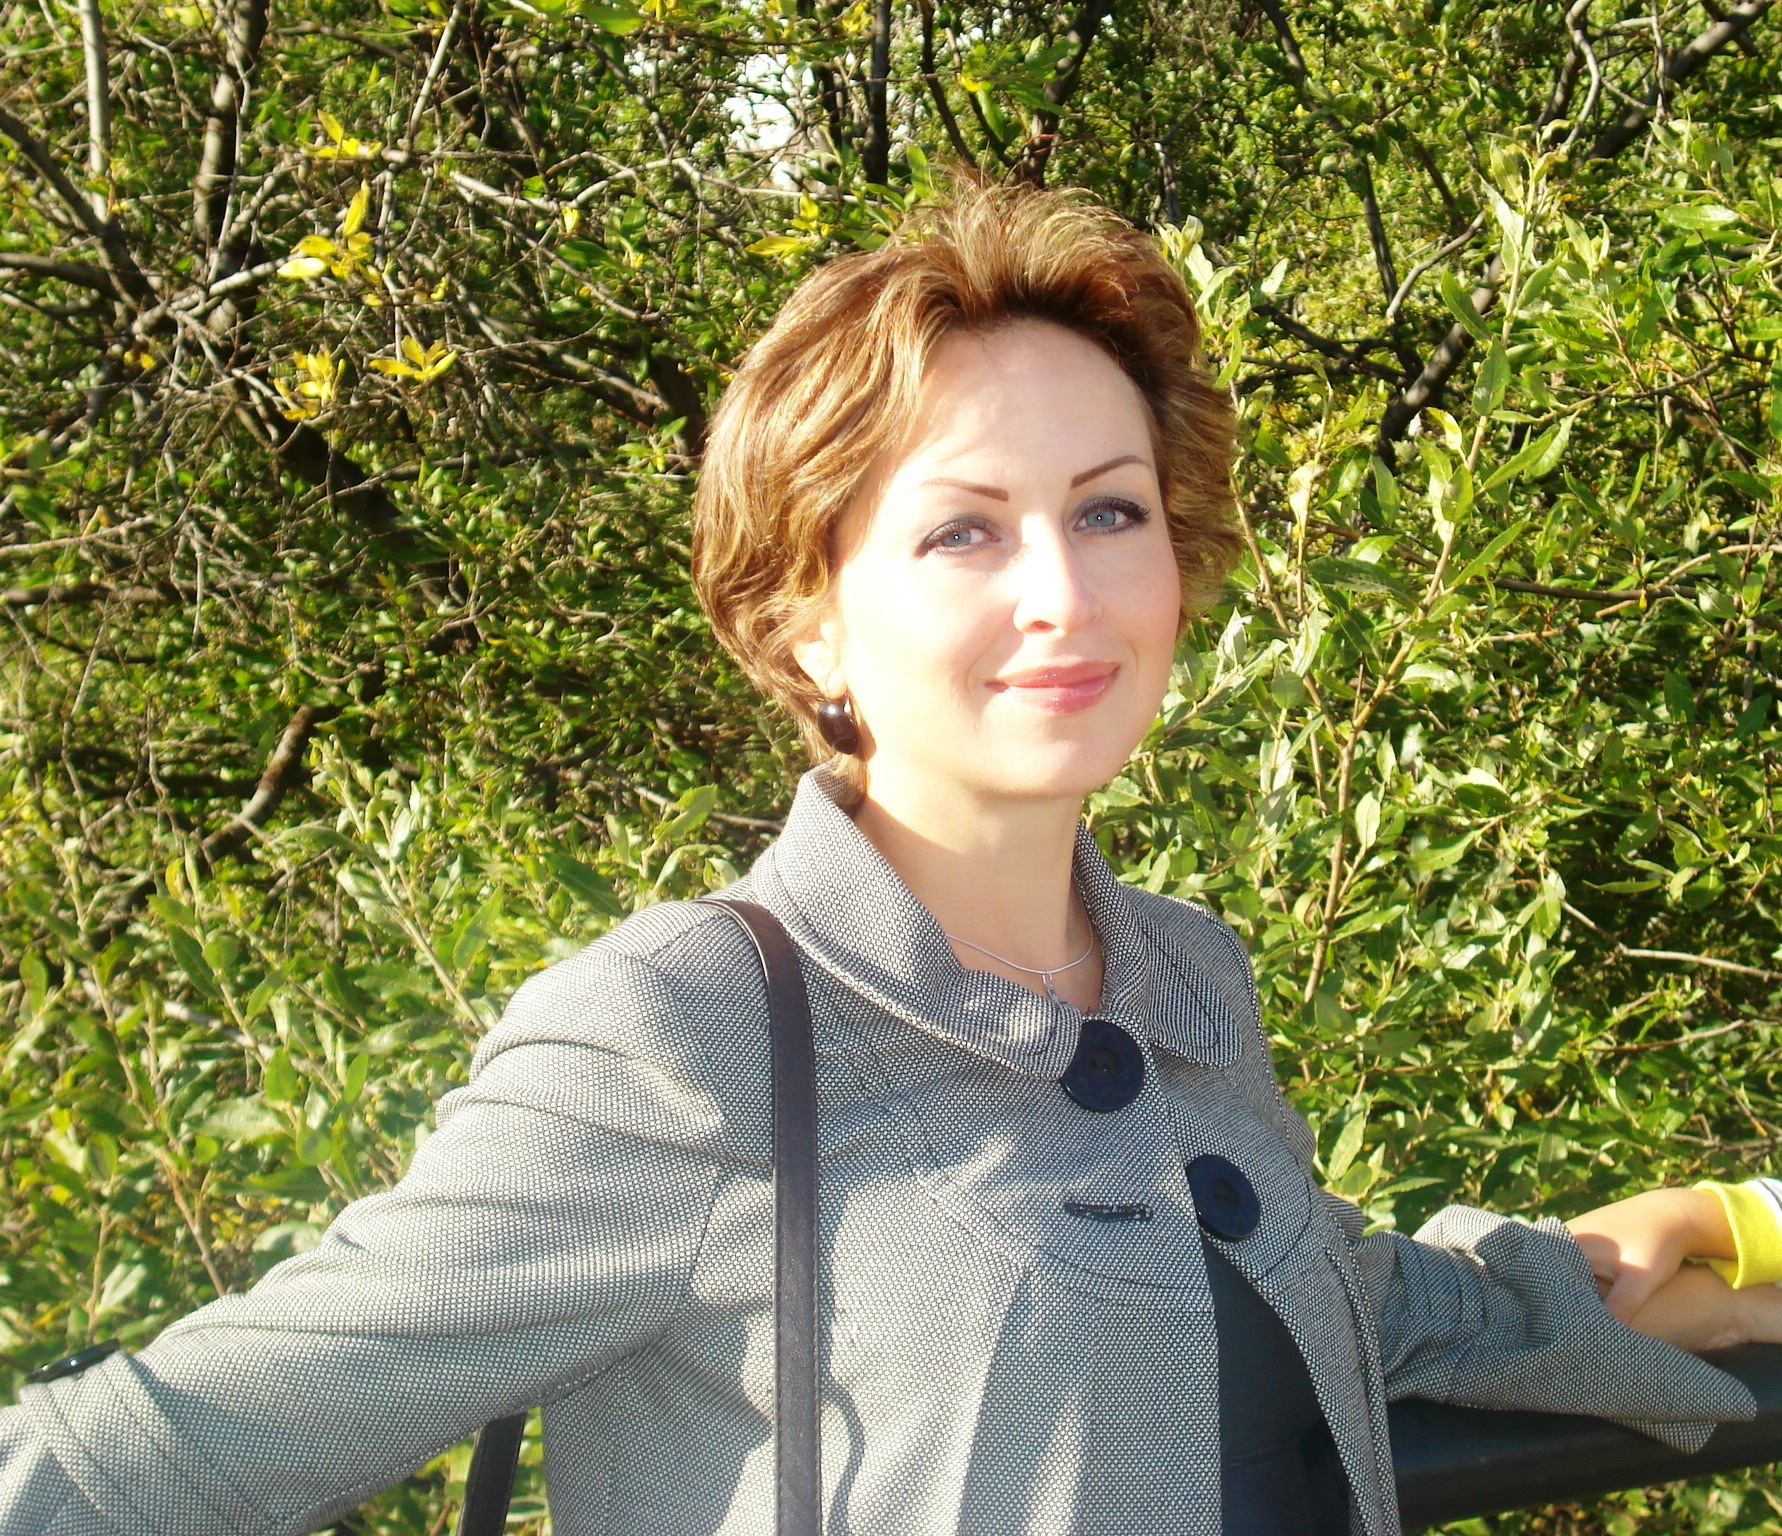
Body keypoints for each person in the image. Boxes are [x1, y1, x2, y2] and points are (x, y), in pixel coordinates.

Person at [2, 180, 1779, 1536]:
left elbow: (1344, 1303)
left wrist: (1717, 1233)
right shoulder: (681, 1034)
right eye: (960, 532)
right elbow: (176, 1447)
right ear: (808, 620)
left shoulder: (1185, 978)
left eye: (1108, 511)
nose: (1062, 592)